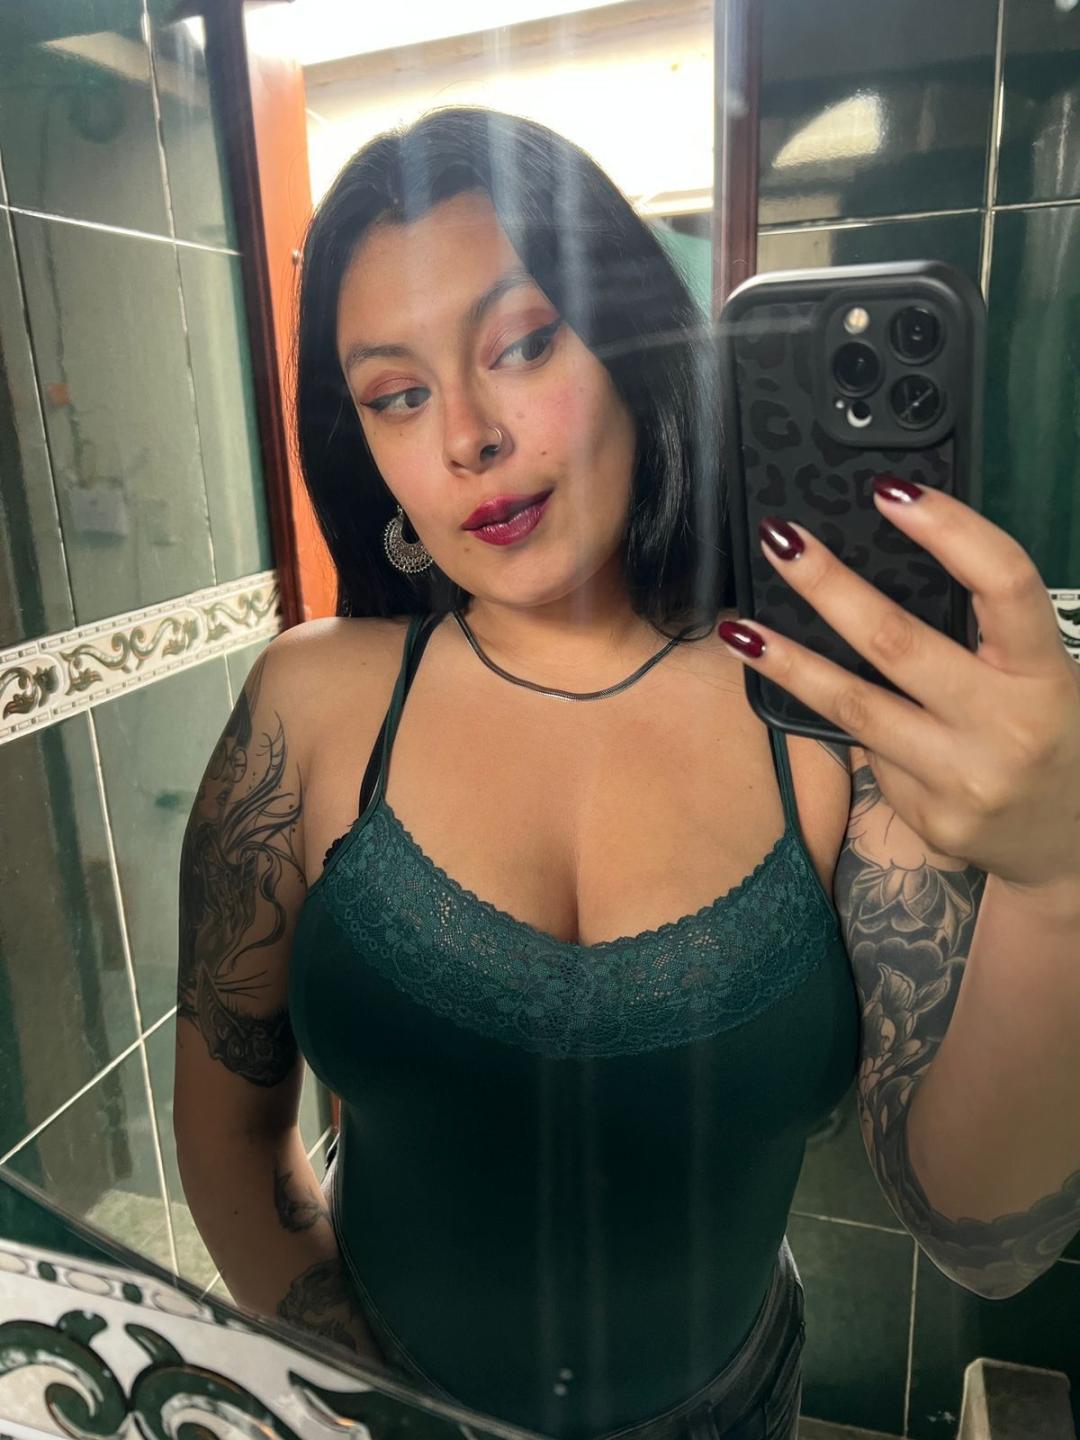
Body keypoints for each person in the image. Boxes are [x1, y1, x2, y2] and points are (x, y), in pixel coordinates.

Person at [176, 106, 862, 1440]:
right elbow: (227, 1135)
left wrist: (1049, 871)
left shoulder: (809, 704)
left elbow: (979, 1207)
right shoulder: (311, 708)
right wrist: (367, 1403)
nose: (468, 437)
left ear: (632, 344)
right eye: (398, 394)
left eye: (524, 344)